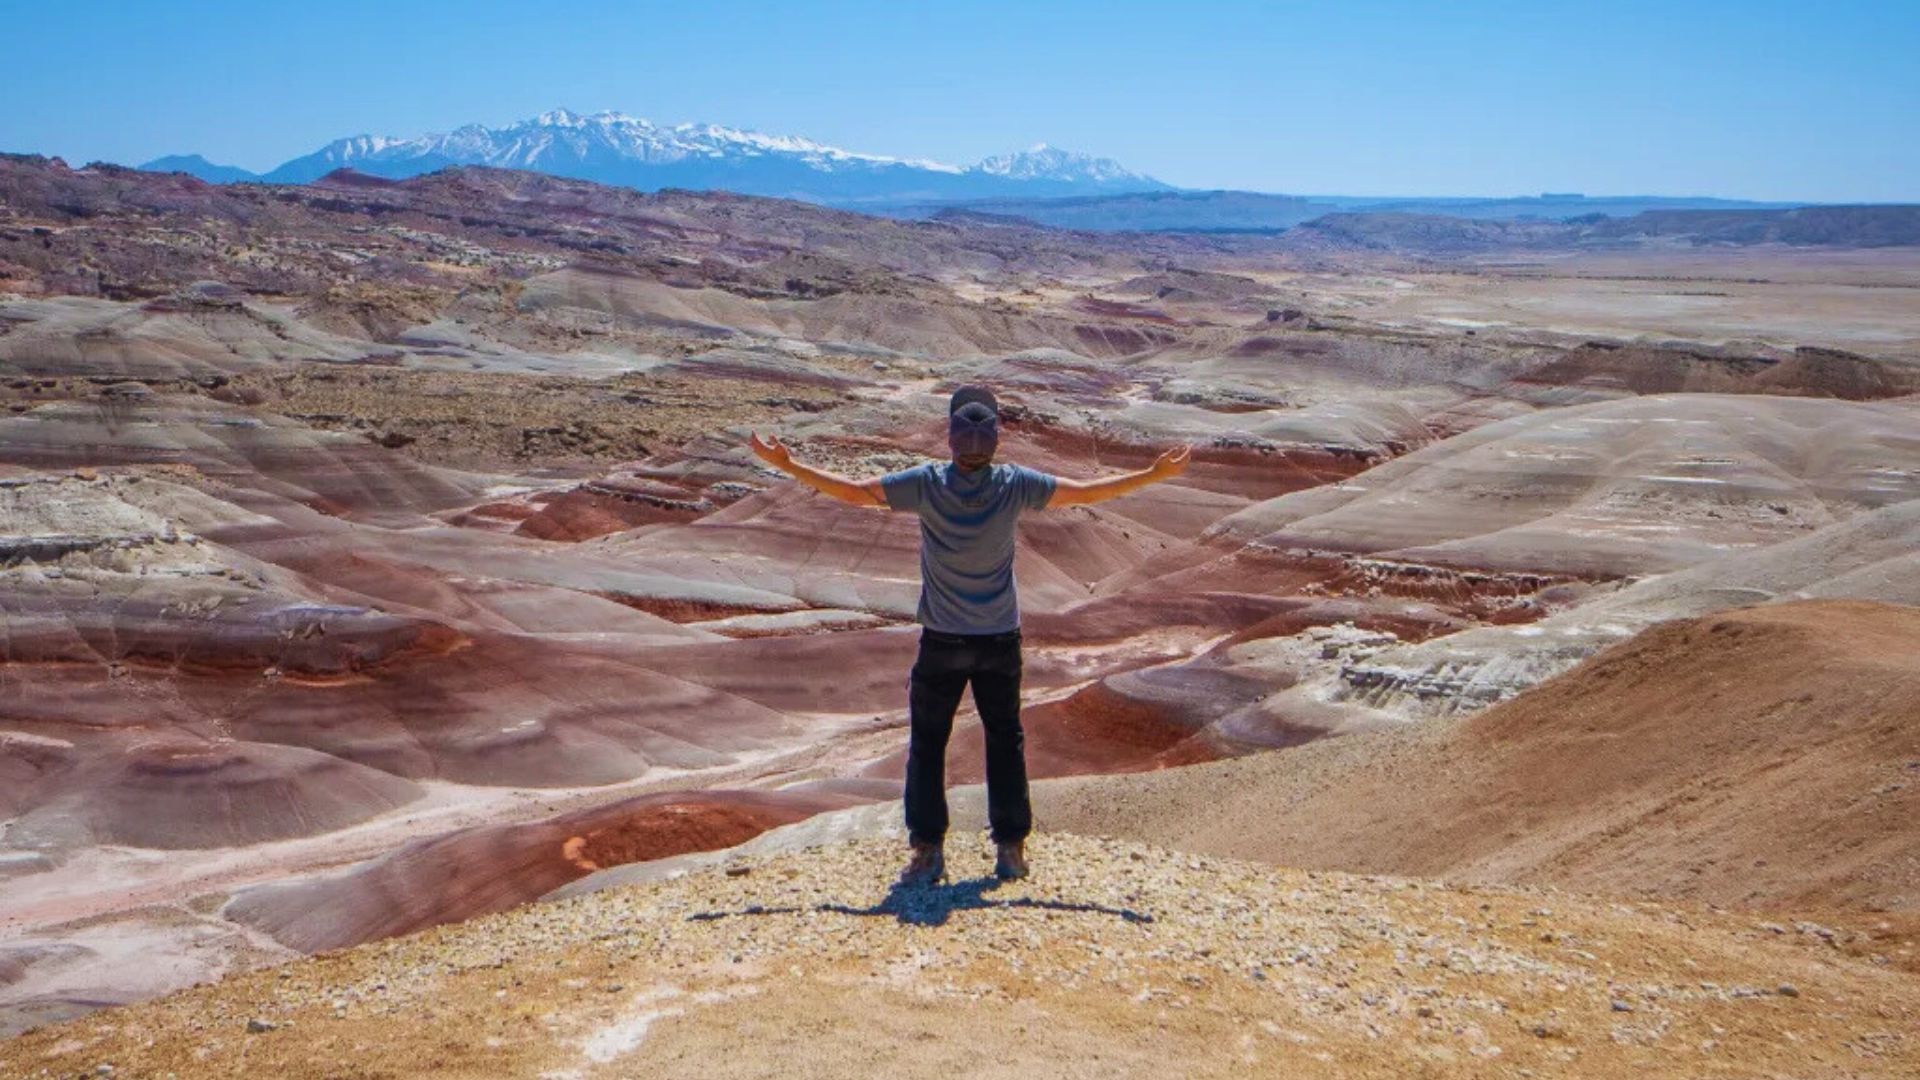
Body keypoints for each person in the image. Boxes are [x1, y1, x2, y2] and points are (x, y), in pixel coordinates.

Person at [748, 385, 1191, 885]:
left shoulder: (927, 483)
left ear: (951, 437)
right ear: (996, 440)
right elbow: (1085, 493)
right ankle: (1010, 849)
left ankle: (927, 852)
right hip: (999, 639)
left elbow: (857, 492)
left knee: (928, 744)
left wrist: (788, 465)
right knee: (1005, 740)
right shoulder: (1015, 484)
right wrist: (1153, 476)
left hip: (942, 641)